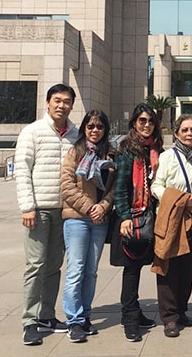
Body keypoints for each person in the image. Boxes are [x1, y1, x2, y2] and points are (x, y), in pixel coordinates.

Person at [16, 84, 78, 346]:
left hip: (64, 210)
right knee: (35, 265)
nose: (61, 105)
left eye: (66, 102)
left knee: (53, 265)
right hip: (38, 209)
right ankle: (29, 321)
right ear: (47, 102)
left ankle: (47, 315)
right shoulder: (32, 131)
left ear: (71, 106)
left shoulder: (75, 134)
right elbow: (22, 170)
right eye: (57, 100)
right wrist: (27, 206)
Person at [60, 109, 116, 342]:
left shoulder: (111, 154)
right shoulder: (75, 152)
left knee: (91, 271)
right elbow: (66, 184)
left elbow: (114, 186)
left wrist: (103, 206)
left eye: (99, 127)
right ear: (84, 128)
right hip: (77, 219)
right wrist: (89, 206)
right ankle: (73, 320)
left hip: (99, 219)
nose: (95, 130)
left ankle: (85, 316)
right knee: (75, 269)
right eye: (91, 126)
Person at [151, 114, 192, 338]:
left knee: (186, 269)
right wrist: (178, 199)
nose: (189, 133)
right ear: (176, 133)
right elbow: (156, 186)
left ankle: (181, 310)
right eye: (185, 130)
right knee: (168, 269)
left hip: (191, 220)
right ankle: (169, 317)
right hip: (172, 219)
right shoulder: (168, 157)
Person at [112, 103, 162, 342]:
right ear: (134, 122)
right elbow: (120, 187)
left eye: (150, 121)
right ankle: (129, 318)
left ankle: (136, 312)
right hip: (132, 217)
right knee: (131, 269)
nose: (146, 125)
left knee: (141, 265)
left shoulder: (154, 149)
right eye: (142, 120)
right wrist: (124, 217)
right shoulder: (127, 150)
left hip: (151, 216)